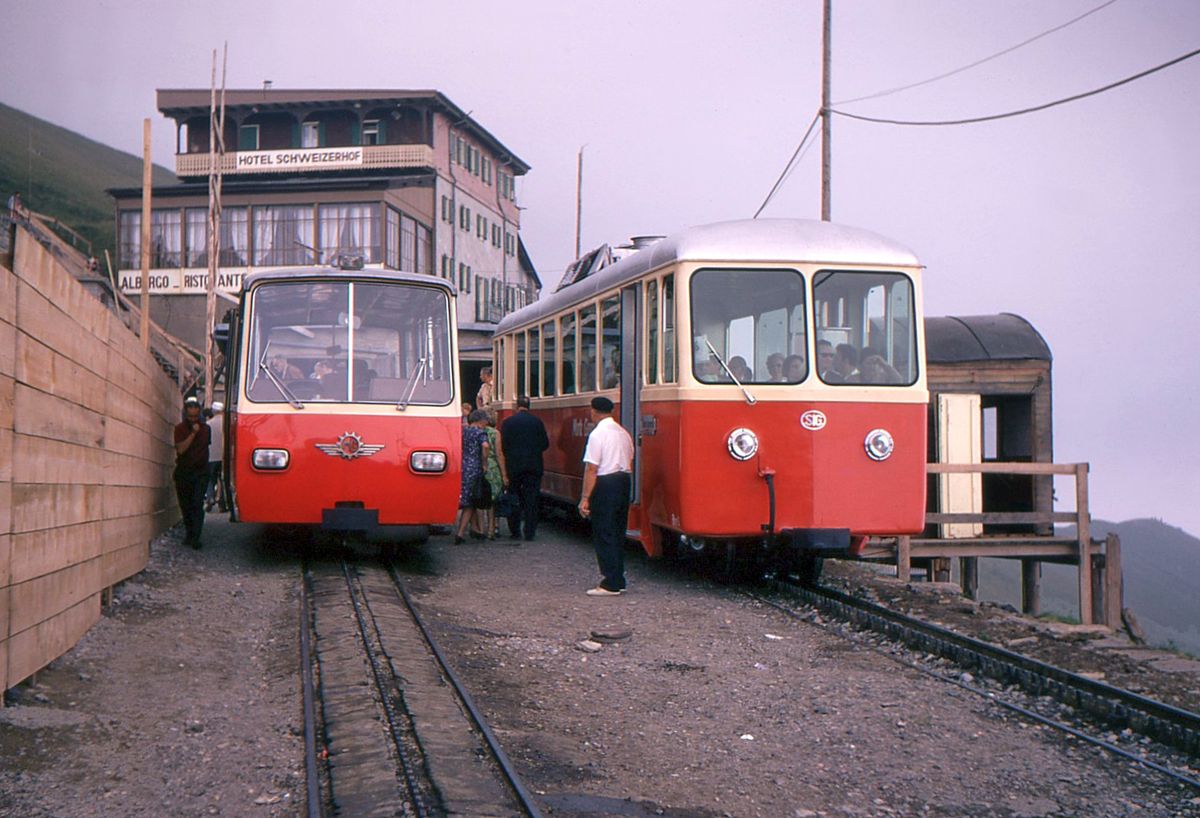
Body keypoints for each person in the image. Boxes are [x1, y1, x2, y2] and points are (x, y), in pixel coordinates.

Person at [578, 396, 634, 596]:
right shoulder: (623, 433)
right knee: (618, 531)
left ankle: (610, 581)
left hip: (605, 482)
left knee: (604, 531)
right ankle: (619, 578)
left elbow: (592, 468)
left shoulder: (597, 434)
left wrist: (585, 497)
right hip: (623, 480)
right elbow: (630, 458)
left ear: (593, 411)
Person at [500, 396, 550, 541]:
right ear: (529, 406)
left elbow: (504, 445)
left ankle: (515, 531)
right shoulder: (537, 422)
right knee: (532, 499)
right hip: (534, 465)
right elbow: (545, 444)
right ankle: (530, 532)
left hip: (514, 466)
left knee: (514, 497)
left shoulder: (508, 422)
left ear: (516, 406)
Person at [173, 397, 211, 549]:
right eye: (191, 417)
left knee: (197, 503)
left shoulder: (206, 429)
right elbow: (181, 449)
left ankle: (196, 537)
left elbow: (205, 448)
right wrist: (192, 434)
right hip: (184, 471)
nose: (194, 420)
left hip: (201, 471)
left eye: (196, 417)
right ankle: (190, 534)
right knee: (186, 505)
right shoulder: (180, 429)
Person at [454, 410, 492, 544]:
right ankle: (460, 533)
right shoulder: (480, 433)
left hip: (462, 466)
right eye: (486, 420)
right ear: (481, 420)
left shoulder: (464, 431)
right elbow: (485, 446)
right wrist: (485, 462)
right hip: (474, 467)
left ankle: (475, 529)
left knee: (469, 498)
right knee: (471, 501)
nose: (487, 422)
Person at [480, 412, 508, 538]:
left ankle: (480, 528)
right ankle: (492, 528)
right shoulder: (495, 433)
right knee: (492, 499)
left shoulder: (476, 431)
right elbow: (499, 454)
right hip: (492, 467)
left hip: (478, 465)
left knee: (479, 498)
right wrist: (504, 474)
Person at [205, 402, 225, 513]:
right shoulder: (226, 424)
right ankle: (222, 502)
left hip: (210, 456)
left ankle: (209, 498)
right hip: (224, 456)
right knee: (222, 479)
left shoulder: (208, 424)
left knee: (210, 479)